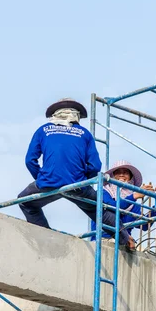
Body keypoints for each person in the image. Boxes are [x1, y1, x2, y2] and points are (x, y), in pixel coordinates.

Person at [18, 98, 129, 244]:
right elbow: (95, 165)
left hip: (48, 182)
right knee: (99, 210)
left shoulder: (43, 130)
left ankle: (43, 234)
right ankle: (126, 239)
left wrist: (43, 178)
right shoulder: (84, 133)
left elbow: (30, 160)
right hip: (78, 184)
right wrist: (83, 180)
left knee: (25, 202)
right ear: (76, 116)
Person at [91, 160, 156, 250]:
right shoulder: (104, 191)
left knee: (147, 252)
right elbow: (112, 207)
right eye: (118, 172)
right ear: (113, 175)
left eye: (125, 173)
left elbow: (144, 225)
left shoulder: (132, 202)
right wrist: (134, 196)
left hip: (124, 241)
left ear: (130, 177)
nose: (121, 175)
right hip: (103, 238)